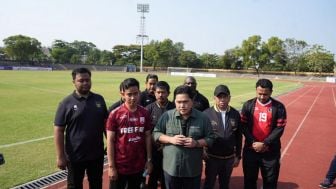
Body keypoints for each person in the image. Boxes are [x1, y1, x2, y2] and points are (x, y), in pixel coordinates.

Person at [54, 67, 108, 189]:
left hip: (96, 154)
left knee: (96, 184)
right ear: (74, 82)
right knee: (74, 185)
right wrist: (60, 156)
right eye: (81, 80)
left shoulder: (99, 99)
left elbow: (106, 124)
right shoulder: (65, 103)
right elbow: (58, 130)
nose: (85, 83)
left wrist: (109, 145)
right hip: (75, 156)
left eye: (87, 80)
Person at [153, 85, 215, 189]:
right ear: (174, 101)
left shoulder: (203, 118)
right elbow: (155, 133)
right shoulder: (167, 116)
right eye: (178, 102)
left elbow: (211, 138)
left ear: (192, 101)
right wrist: (171, 139)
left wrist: (196, 143)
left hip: (192, 170)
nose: (182, 105)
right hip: (171, 169)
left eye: (185, 101)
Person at [106, 78, 153, 189]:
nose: (133, 97)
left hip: (138, 165)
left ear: (139, 93)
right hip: (120, 166)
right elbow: (110, 141)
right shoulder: (115, 114)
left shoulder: (145, 113)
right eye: (129, 94)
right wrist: (111, 166)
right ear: (122, 94)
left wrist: (149, 160)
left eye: (136, 94)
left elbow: (147, 136)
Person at [240, 78, 287, 189]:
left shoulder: (279, 107)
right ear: (256, 90)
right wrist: (253, 142)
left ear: (271, 92)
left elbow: (279, 128)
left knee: (270, 182)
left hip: (270, 152)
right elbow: (243, 125)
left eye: (265, 94)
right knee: (249, 181)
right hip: (251, 150)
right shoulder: (248, 105)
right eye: (259, 93)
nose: (262, 96)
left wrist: (265, 143)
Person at [203, 84, 242, 189]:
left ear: (229, 98)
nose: (222, 99)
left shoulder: (235, 114)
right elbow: (201, 135)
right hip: (212, 158)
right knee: (209, 184)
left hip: (229, 159)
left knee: (225, 184)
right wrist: (202, 151)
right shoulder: (206, 114)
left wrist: (238, 156)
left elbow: (238, 137)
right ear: (214, 98)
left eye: (225, 97)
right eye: (219, 97)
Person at [146, 81, 175, 189]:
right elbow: (147, 132)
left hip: (170, 150)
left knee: (167, 179)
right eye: (158, 92)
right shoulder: (148, 109)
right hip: (153, 150)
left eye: (163, 92)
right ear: (154, 93)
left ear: (168, 93)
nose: (160, 95)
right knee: (152, 177)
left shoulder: (174, 108)